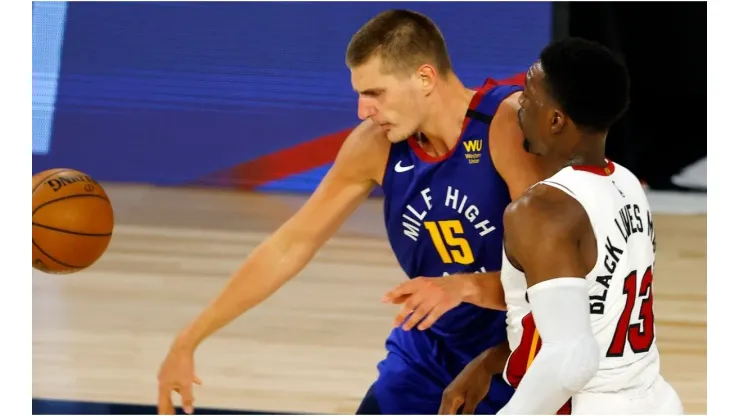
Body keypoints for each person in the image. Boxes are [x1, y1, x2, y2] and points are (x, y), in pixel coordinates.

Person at [156, 9, 549, 415]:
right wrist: (189, 339)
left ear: (425, 78)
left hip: (516, 348)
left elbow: (554, 276)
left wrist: (462, 287)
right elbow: (290, 245)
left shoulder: (507, 125)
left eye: (375, 93)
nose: (363, 110)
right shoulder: (374, 145)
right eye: (360, 94)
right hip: (428, 349)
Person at [438, 37, 684, 415]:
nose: (519, 103)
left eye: (529, 96)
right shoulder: (627, 184)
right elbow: (592, 317)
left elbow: (572, 356)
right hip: (653, 399)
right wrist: (490, 362)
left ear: (555, 120)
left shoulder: (540, 210)